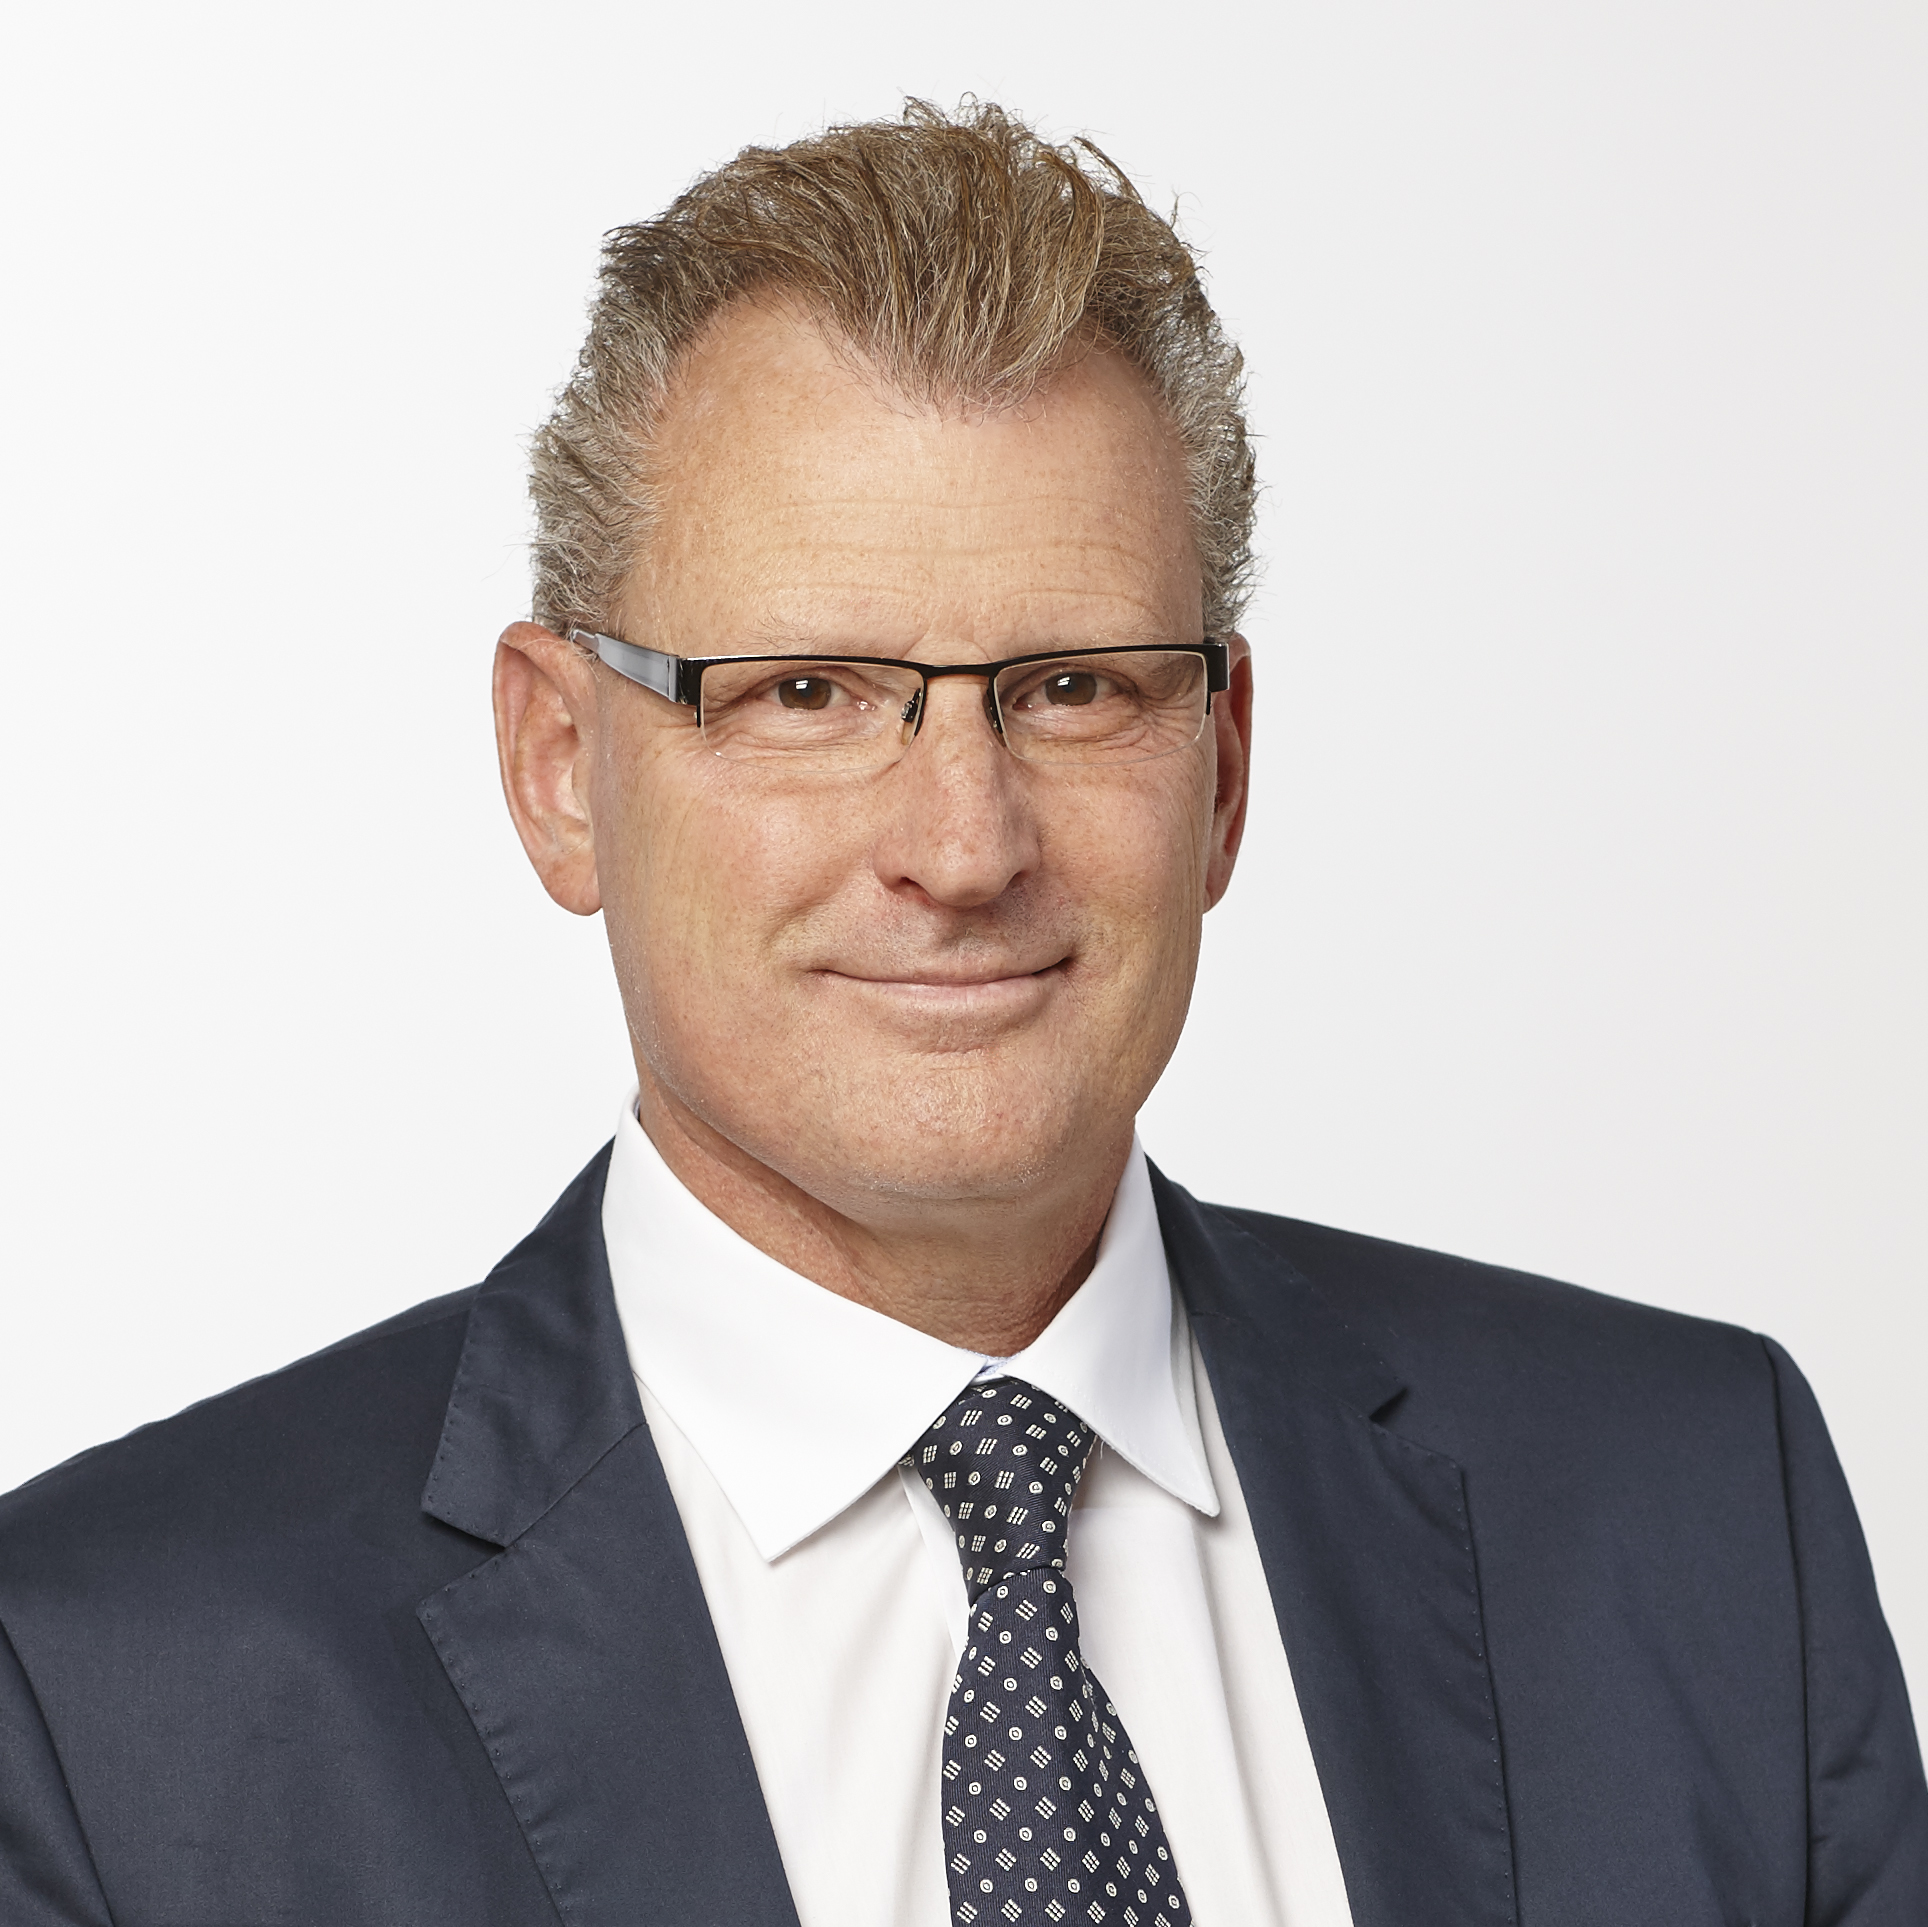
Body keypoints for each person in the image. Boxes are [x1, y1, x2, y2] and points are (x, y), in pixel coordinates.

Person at [0, 98, 1921, 1927]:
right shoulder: (112, 1689)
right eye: (808, 691)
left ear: (1224, 766)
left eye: (1076, 687)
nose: (963, 843)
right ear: (560, 768)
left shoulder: (1693, 1514)